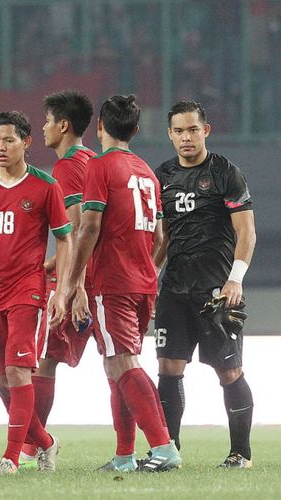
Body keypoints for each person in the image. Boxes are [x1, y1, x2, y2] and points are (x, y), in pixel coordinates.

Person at [62, 95, 182, 472]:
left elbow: (89, 225)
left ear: (100, 128)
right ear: (135, 130)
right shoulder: (146, 171)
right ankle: (125, 456)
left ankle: (163, 448)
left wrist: (72, 282)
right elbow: (163, 238)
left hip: (112, 282)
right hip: (143, 283)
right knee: (115, 367)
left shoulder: (100, 166)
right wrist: (146, 269)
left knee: (122, 362)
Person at [0, 111, 72, 474]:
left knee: (19, 371)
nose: (0, 147)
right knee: (1, 377)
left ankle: (10, 457)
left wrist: (62, 291)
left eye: (8, 140)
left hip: (28, 290)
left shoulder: (44, 186)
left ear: (26, 142)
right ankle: (45, 442)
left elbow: (64, 239)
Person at [153, 100, 256, 468]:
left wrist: (235, 281)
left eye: (192, 129)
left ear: (205, 131)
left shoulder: (226, 173)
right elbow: (162, 238)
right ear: (169, 134)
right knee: (168, 368)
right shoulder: (161, 175)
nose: (186, 137)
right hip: (174, 290)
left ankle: (240, 453)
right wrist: (150, 276)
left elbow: (247, 232)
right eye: (178, 131)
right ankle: (169, 451)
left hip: (217, 292)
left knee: (228, 371)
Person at [25, 91, 96, 462]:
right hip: (105, 274)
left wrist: (70, 285)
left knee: (44, 360)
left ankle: (31, 445)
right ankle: (131, 449)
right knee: (118, 362)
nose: (44, 127)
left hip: (80, 280)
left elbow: (78, 224)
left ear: (64, 125)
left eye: (48, 121)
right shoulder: (93, 160)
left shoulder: (67, 166)